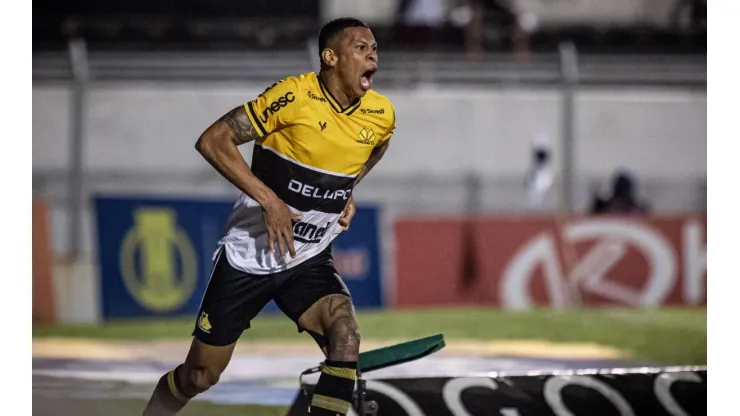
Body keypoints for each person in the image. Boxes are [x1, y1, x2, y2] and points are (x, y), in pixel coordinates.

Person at [142, 17, 395, 416]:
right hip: (250, 254)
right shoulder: (293, 96)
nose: (372, 55)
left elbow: (374, 149)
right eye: (361, 47)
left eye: (374, 48)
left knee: (344, 336)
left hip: (308, 255)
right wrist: (270, 201)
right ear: (330, 57)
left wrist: (348, 189)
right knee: (200, 376)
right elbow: (213, 140)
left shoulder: (381, 114)